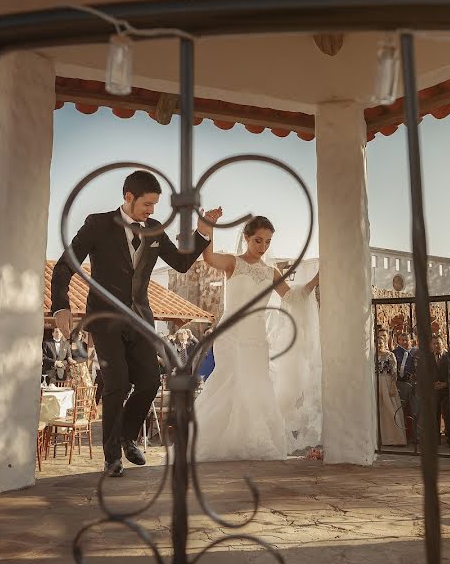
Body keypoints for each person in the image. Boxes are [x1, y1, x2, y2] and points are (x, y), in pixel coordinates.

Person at [50, 170, 219, 477]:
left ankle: (127, 436)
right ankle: (112, 456)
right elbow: (65, 266)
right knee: (117, 384)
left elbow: (181, 263)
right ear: (128, 196)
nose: (152, 211)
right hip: (105, 320)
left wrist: (203, 232)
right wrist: (61, 306)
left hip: (141, 320)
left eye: (155, 205)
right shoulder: (97, 224)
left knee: (149, 382)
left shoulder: (154, 230)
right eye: (147, 204)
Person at [195, 215, 320, 461]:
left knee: (256, 386)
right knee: (230, 381)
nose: (263, 247)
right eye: (258, 241)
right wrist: (209, 228)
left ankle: (251, 441)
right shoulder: (233, 263)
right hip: (230, 334)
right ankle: (216, 442)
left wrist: (317, 278)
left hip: (256, 337)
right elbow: (208, 257)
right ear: (246, 238)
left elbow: (292, 297)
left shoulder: (270, 272)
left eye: (268, 242)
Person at [375, 330, 407, 446]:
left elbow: (394, 372)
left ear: (385, 343)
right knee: (379, 410)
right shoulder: (373, 356)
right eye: (377, 343)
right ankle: (380, 438)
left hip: (388, 383)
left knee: (391, 409)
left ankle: (395, 438)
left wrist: (393, 386)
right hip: (376, 383)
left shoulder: (390, 355)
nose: (379, 345)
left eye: (381, 343)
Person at [430, 335, 450, 448]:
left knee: (449, 415)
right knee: (433, 415)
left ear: (443, 344)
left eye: (438, 343)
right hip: (433, 390)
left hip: (447, 390)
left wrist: (446, 383)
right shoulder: (428, 357)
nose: (437, 345)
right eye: (434, 343)